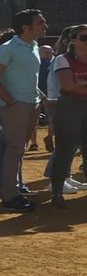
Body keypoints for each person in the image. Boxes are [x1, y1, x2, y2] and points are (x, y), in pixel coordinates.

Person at [0, 9, 47, 212]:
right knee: (15, 150)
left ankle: (14, 193)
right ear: (25, 27)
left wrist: (42, 100)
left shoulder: (34, 46)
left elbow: (29, 77)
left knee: (18, 151)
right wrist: (11, 102)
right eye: (40, 23)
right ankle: (9, 197)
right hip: (15, 106)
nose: (45, 26)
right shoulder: (8, 48)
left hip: (32, 104)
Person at [48, 25, 87, 203]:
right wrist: (76, 83)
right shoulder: (63, 59)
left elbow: (73, 83)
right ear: (72, 40)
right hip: (70, 105)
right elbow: (68, 85)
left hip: (77, 103)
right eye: (84, 38)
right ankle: (57, 192)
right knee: (64, 150)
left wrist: (80, 81)